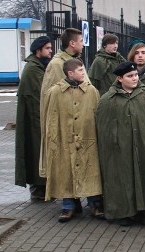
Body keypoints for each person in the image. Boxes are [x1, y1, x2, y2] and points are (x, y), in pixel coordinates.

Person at [96, 61, 145, 225]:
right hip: (120, 148)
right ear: (120, 78)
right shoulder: (108, 99)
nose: (134, 78)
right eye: (130, 76)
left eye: (135, 75)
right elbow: (103, 127)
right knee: (124, 179)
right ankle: (126, 212)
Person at [41, 58, 103, 222]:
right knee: (65, 172)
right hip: (64, 140)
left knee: (90, 171)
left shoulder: (91, 91)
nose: (84, 73)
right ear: (70, 73)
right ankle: (68, 206)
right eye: (81, 71)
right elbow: (51, 118)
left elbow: (97, 115)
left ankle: (95, 204)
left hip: (87, 139)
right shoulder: (55, 92)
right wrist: (53, 139)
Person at [15, 35, 52, 203]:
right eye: (47, 49)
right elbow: (37, 97)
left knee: (41, 153)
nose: (51, 51)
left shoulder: (41, 66)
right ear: (38, 51)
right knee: (36, 153)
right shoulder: (32, 69)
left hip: (40, 118)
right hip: (35, 120)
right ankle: (38, 190)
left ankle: (43, 188)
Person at [41, 28, 90, 98]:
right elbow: (48, 95)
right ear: (72, 43)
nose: (83, 44)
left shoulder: (77, 61)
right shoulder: (56, 64)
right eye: (81, 41)